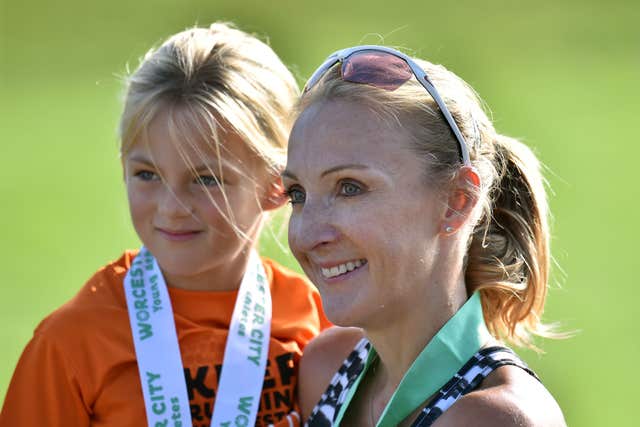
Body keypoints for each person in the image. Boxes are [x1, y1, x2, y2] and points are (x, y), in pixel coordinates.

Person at [1, 23, 330, 427]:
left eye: (206, 179)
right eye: (147, 174)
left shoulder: (319, 323)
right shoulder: (72, 343)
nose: (171, 208)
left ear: (278, 186)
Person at [282, 45, 567, 426]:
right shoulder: (328, 366)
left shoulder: (493, 418)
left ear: (456, 201)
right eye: (297, 194)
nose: (308, 233)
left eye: (349, 187)